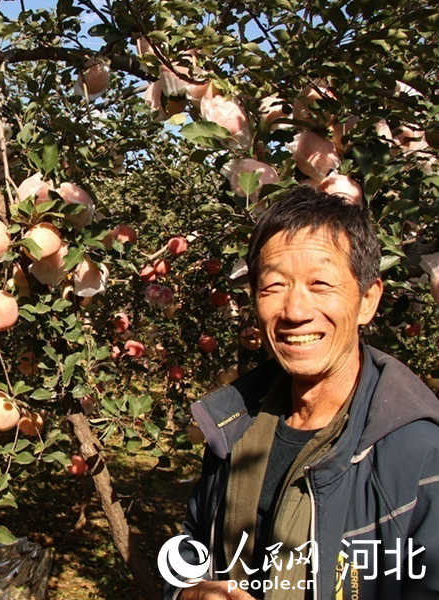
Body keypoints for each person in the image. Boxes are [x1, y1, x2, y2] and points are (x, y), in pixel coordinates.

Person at [162, 186, 439, 599]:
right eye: (273, 287)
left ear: (367, 300)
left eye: (321, 283)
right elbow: (192, 550)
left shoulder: (417, 454)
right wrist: (187, 594)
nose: (294, 311)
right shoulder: (235, 426)